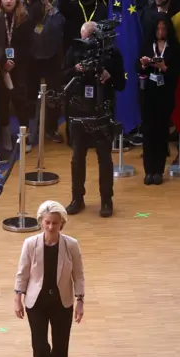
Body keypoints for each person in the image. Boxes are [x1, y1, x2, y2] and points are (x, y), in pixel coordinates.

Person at [14, 200, 85, 357]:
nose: (51, 227)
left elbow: (78, 275)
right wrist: (18, 297)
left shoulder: (71, 245)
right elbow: (22, 273)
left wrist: (80, 300)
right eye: (47, 222)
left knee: (60, 348)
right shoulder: (30, 244)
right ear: (41, 223)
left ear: (61, 224)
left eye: (55, 223)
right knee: (41, 348)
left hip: (62, 303)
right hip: (37, 303)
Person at [63, 21, 125, 218]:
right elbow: (62, 75)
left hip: (102, 111)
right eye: (83, 38)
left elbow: (122, 84)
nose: (85, 42)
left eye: (89, 38)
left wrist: (110, 76)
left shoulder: (112, 53)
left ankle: (106, 200)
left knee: (104, 159)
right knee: (77, 158)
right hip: (78, 110)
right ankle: (77, 199)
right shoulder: (74, 50)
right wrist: (76, 69)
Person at [137, 14, 180, 185]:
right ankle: (148, 170)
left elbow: (177, 73)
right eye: (158, 28)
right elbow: (136, 66)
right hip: (148, 93)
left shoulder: (176, 48)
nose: (161, 31)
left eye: (164, 28)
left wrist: (164, 68)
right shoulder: (147, 45)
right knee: (148, 132)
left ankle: (159, 171)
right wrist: (143, 64)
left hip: (165, 94)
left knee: (161, 132)